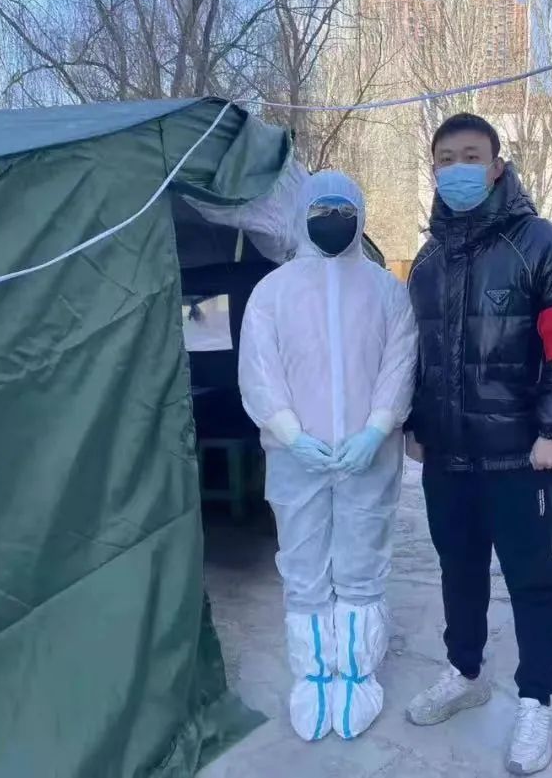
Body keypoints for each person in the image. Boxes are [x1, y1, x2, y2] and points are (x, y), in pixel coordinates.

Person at [405, 113, 552, 776]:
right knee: (458, 570)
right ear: (434, 170)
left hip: (520, 454)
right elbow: (417, 356)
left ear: (496, 166)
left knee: (530, 578)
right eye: (445, 158)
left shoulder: (541, 245)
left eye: (470, 156)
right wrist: (416, 425)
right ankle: (465, 672)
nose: (457, 168)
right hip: (447, 456)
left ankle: (536, 698)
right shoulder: (427, 261)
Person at [238, 170, 418, 742]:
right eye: (322, 211)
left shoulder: (387, 291)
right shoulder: (272, 293)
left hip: (370, 456)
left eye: (344, 211)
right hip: (298, 458)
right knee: (304, 564)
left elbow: (400, 363)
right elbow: (259, 370)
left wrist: (377, 428)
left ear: (360, 217)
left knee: (362, 562)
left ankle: (357, 674)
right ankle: (314, 675)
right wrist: (290, 433)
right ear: (301, 216)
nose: (333, 221)